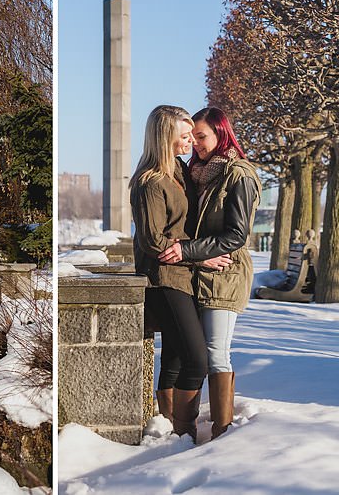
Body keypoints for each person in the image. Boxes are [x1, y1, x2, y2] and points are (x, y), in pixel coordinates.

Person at [159, 106, 261, 439]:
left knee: (217, 351)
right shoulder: (200, 174)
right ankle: (179, 429)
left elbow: (237, 235)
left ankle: (222, 431)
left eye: (202, 137)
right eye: (193, 137)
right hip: (201, 272)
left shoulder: (238, 174)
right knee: (192, 351)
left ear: (221, 133)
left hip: (226, 273)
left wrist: (187, 251)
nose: (197, 144)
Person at [130, 104, 209, 440]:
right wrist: (199, 257)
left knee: (176, 357)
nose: (190, 140)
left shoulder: (178, 171)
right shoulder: (151, 182)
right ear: (165, 136)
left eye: (192, 134)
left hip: (182, 276)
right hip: (163, 279)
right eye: (185, 134)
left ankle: (170, 431)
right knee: (197, 359)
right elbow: (152, 240)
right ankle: (183, 431)